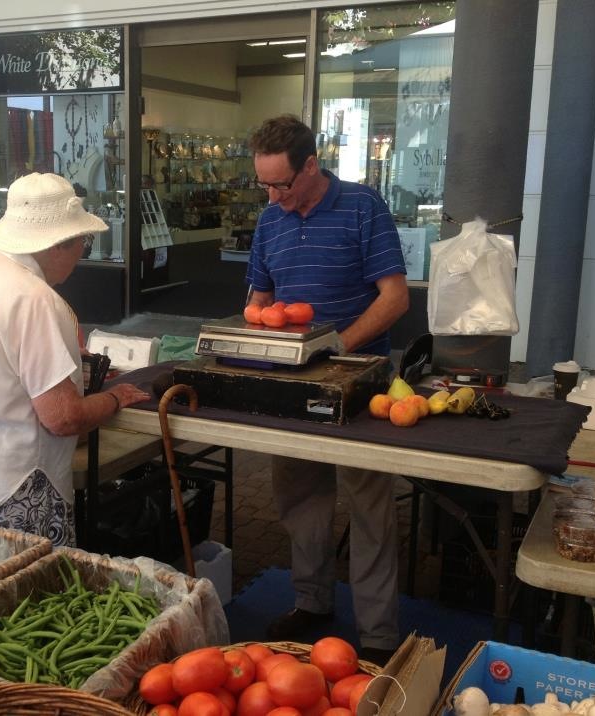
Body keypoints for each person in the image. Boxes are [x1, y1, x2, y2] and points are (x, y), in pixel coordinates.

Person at [245, 115, 409, 662]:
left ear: (311, 165)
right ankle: (312, 601)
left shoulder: (364, 208)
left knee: (370, 508)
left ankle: (380, 636)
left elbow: (393, 299)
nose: (273, 196)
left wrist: (337, 346)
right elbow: (261, 298)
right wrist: (256, 326)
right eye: (263, 185)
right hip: (293, 383)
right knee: (301, 497)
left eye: (282, 184)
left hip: (362, 382)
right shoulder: (270, 220)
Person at [0, 173, 150, 546]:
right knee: (24, 599)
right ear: (58, 243)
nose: (82, 253)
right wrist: (115, 398)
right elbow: (63, 418)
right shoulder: (35, 298)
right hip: (9, 496)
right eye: (82, 242)